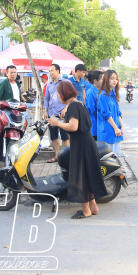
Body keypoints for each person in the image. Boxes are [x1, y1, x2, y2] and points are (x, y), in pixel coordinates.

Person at [46, 80, 107, 219]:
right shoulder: (77, 103)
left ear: (63, 93)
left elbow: (73, 127)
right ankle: (93, 206)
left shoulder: (73, 106)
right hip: (86, 142)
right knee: (86, 175)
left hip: (82, 145)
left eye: (58, 93)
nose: (58, 96)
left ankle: (86, 211)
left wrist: (57, 123)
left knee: (81, 177)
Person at [43, 64, 68, 163]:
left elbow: (72, 98)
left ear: (58, 71)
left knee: (65, 136)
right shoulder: (48, 84)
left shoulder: (66, 82)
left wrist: (66, 108)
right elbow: (46, 99)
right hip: (51, 114)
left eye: (52, 70)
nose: (50, 73)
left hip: (62, 114)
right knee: (54, 136)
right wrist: (45, 111)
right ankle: (57, 156)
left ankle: (66, 157)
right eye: (49, 71)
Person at [97, 70, 123, 155]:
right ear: (106, 79)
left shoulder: (113, 95)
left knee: (117, 156)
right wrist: (115, 128)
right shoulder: (103, 95)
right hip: (108, 130)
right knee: (109, 158)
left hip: (117, 130)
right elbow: (106, 114)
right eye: (112, 78)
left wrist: (122, 127)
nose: (114, 80)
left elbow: (118, 113)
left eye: (116, 78)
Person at [86, 70, 103, 141]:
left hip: (99, 123)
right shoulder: (91, 92)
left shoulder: (99, 91)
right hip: (94, 124)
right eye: (102, 79)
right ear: (95, 80)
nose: (104, 81)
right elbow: (93, 109)